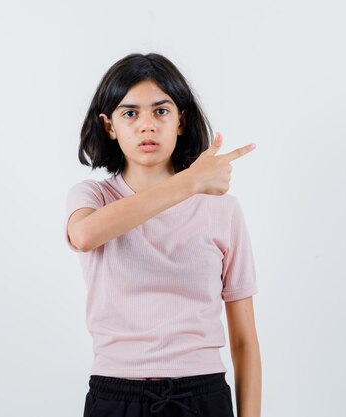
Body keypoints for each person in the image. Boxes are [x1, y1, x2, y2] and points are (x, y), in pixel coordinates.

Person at [64, 52, 261, 417]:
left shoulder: (223, 210)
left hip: (203, 395)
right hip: (115, 396)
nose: (146, 125)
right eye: (130, 113)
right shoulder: (92, 197)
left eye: (161, 111)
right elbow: (85, 236)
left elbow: (245, 341)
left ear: (181, 120)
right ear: (109, 126)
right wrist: (189, 182)